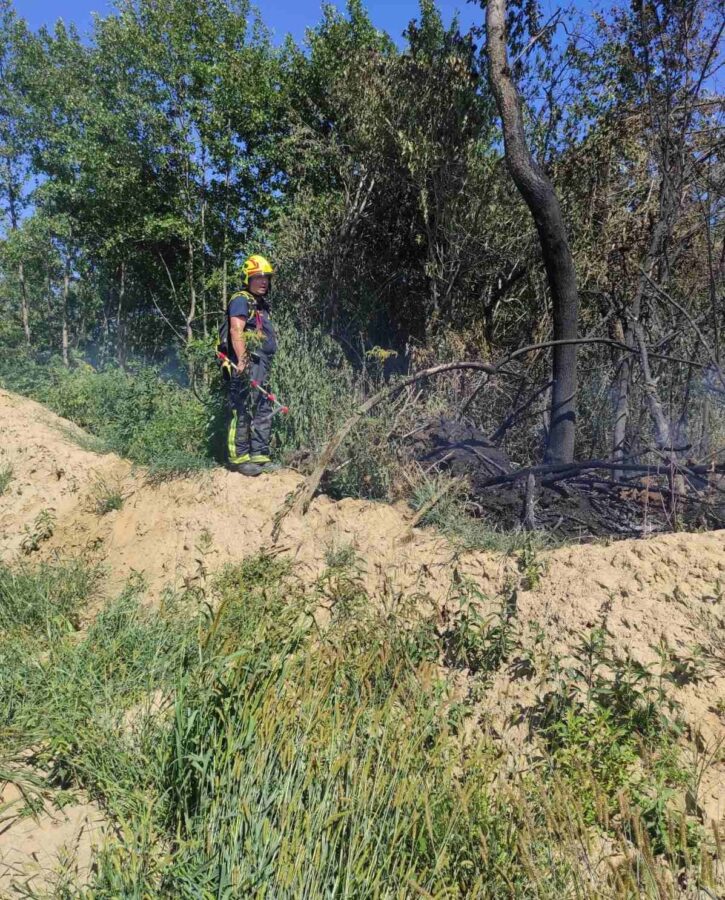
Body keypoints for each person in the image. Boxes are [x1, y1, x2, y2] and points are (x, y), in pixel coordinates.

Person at [225, 254, 278, 477]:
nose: (264, 281)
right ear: (248, 278)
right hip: (247, 364)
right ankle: (240, 458)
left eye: (266, 277)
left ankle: (259, 455)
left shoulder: (261, 304)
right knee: (243, 407)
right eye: (258, 277)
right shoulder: (241, 300)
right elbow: (236, 330)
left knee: (263, 406)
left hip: (263, 364)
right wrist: (243, 360)